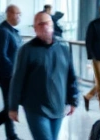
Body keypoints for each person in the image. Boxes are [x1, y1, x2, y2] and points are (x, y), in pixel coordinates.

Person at [6, 12, 78, 140]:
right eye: (40, 24)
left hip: (58, 106)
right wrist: (13, 106)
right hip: (35, 108)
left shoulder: (63, 47)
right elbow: (17, 79)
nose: (44, 26)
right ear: (35, 29)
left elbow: (71, 75)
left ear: (52, 25)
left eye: (47, 23)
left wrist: (73, 99)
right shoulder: (27, 50)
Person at [0, 5, 23, 140]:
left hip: (13, 73)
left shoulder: (13, 31)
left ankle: (6, 132)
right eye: (17, 13)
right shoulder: (3, 31)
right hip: (7, 75)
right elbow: (0, 55)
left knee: (10, 105)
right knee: (10, 105)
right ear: (8, 14)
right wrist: (12, 71)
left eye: (20, 14)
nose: (19, 17)